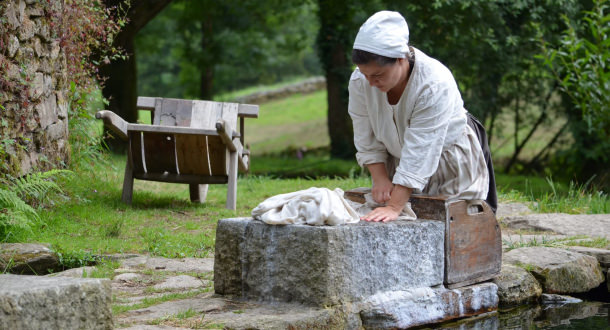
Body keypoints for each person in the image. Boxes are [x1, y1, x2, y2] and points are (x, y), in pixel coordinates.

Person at [348, 11, 497, 223]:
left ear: (400, 59)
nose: (371, 83)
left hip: (447, 162)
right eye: (365, 74)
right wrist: (379, 178)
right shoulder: (359, 81)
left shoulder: (433, 84)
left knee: (454, 228)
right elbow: (364, 131)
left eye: (378, 75)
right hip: (399, 162)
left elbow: (421, 148)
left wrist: (394, 206)